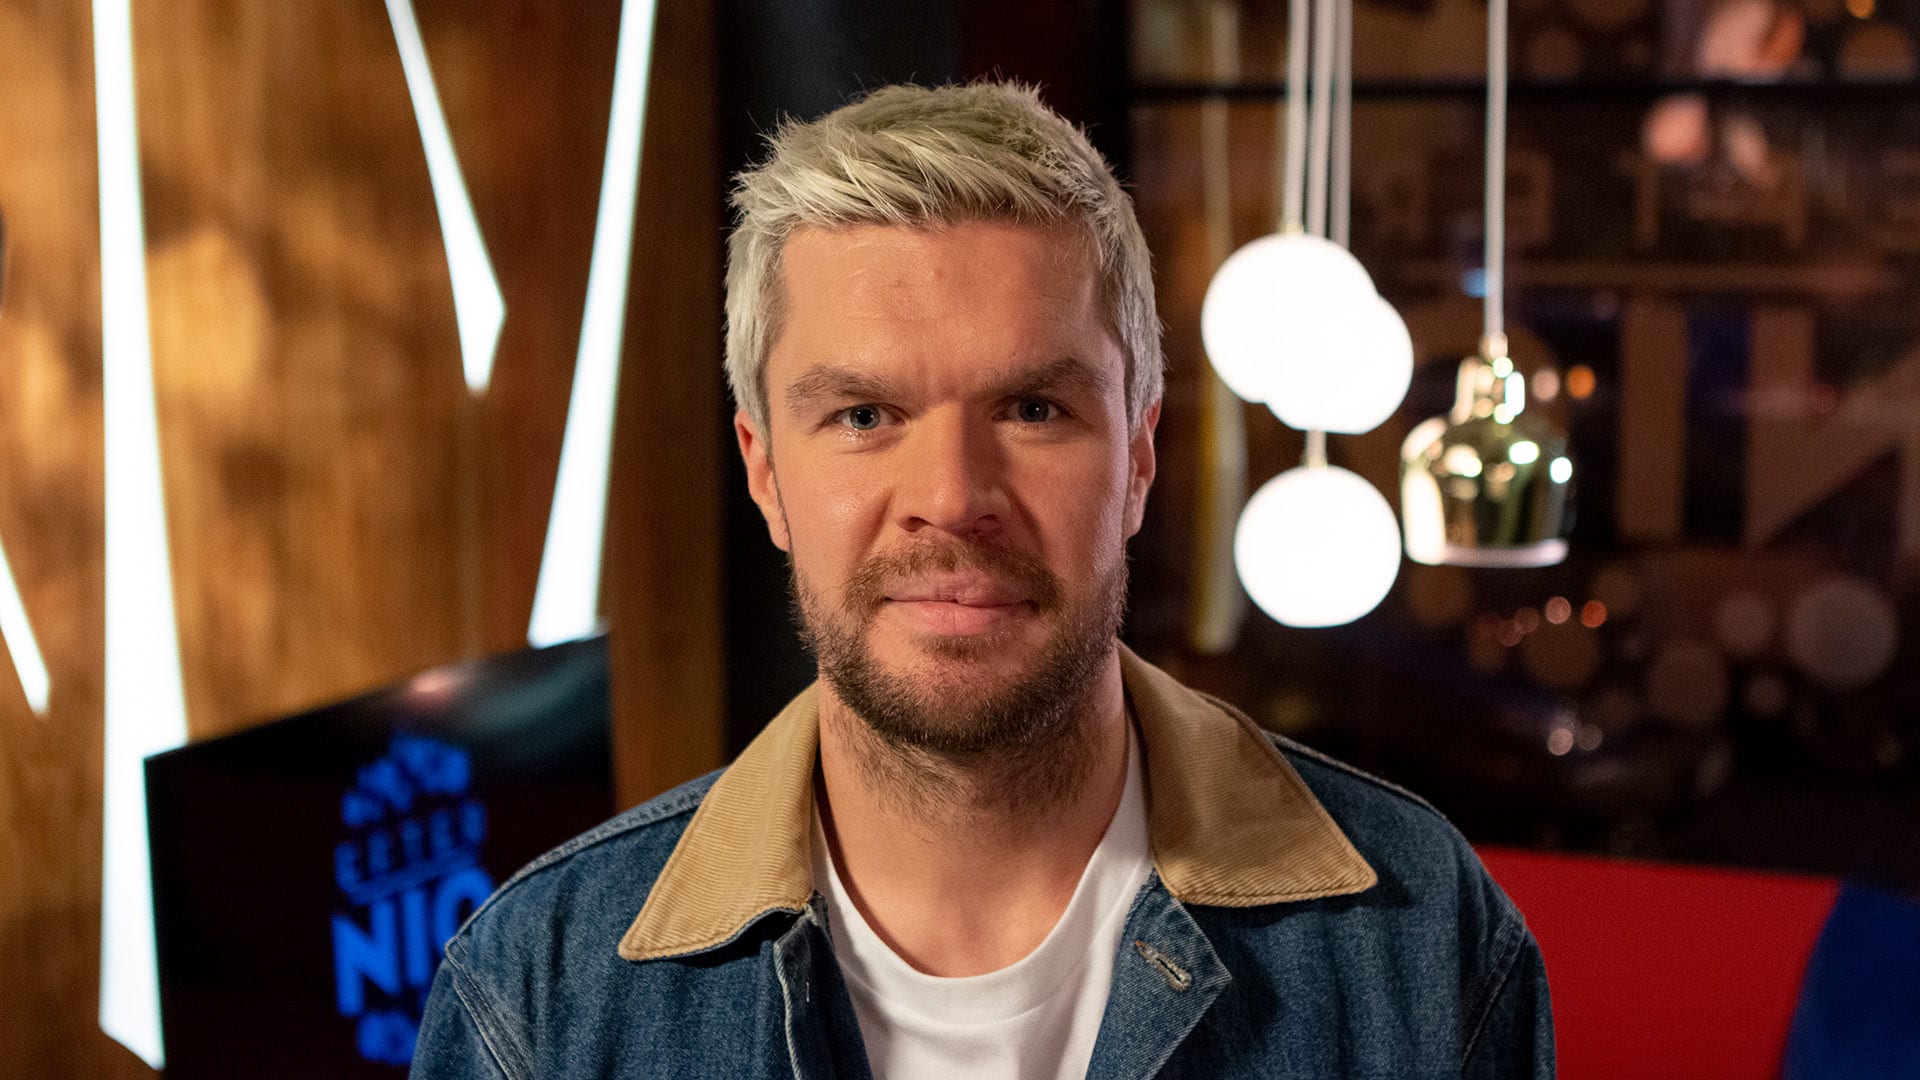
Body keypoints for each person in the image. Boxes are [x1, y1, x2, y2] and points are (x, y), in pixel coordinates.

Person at [412, 81, 1553, 1080]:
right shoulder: (537, 997)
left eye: (1034, 408)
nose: (953, 496)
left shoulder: (1419, 940)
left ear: (1139, 457)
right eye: (864, 415)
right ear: (764, 473)